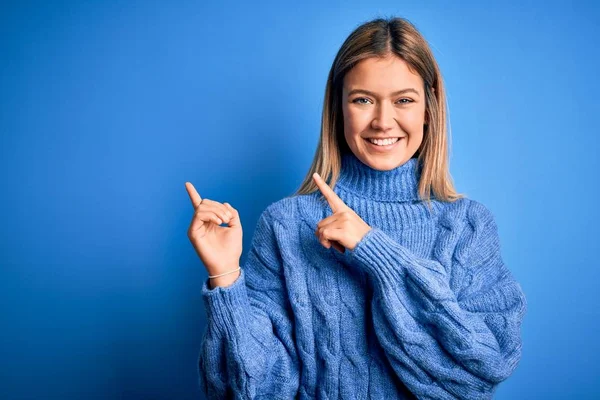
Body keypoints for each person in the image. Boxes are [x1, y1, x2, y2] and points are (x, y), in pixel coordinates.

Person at [185, 16, 527, 400]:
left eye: (404, 100)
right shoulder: (285, 224)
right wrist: (226, 277)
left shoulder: (467, 225)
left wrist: (374, 250)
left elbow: (478, 372)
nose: (383, 122)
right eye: (363, 100)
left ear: (428, 108)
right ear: (339, 108)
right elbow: (254, 390)